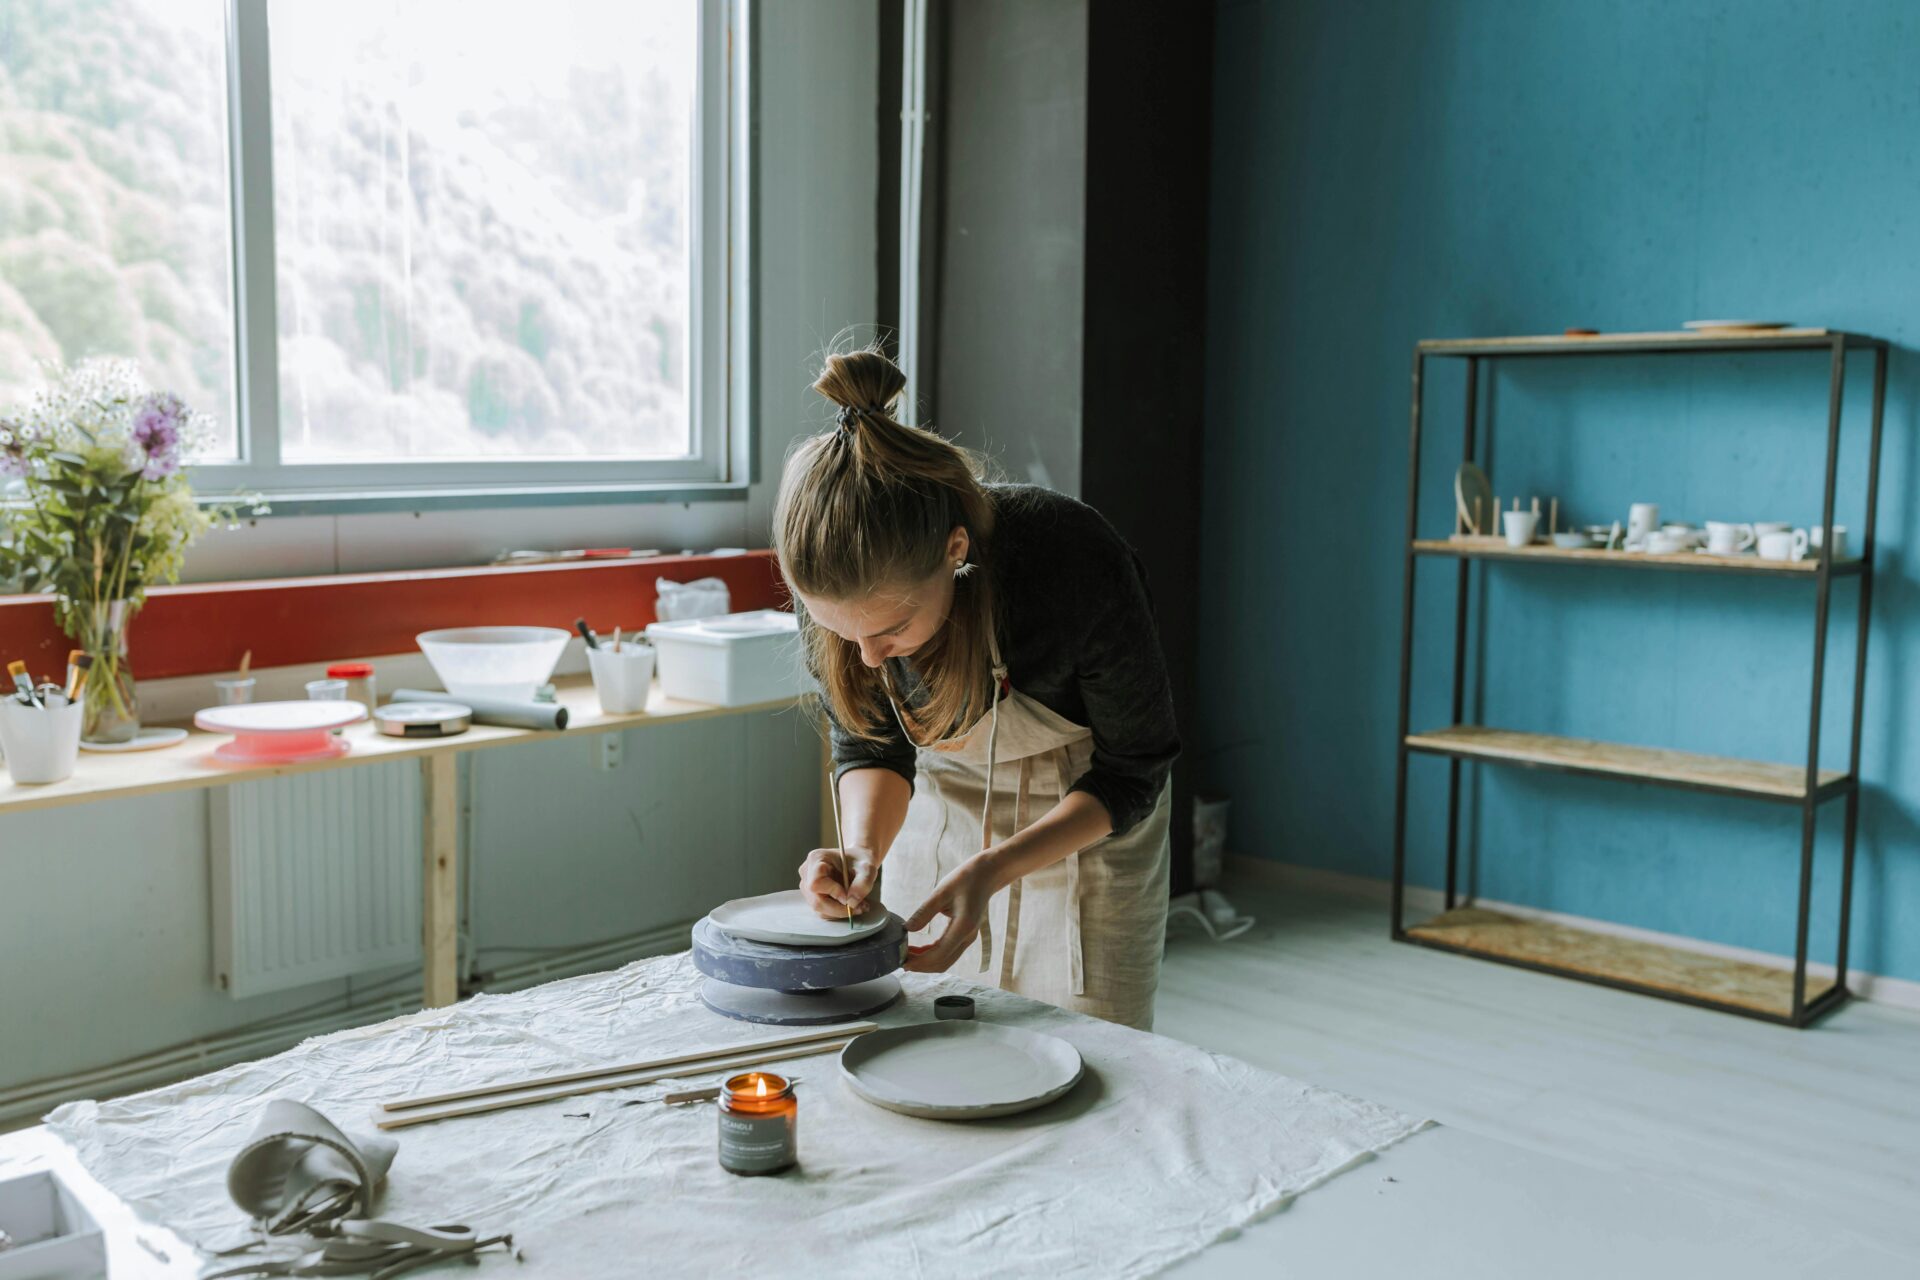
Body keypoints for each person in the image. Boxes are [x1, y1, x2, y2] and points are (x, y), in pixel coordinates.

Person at [773, 347, 1179, 1030]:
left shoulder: (1069, 561)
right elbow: (871, 747)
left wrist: (997, 866)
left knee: (1093, 1055)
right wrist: (863, 852)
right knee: (925, 1037)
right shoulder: (842, 597)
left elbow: (1134, 769)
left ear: (954, 550)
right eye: (841, 633)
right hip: (944, 810)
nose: (868, 658)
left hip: (1090, 820)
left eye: (894, 629)